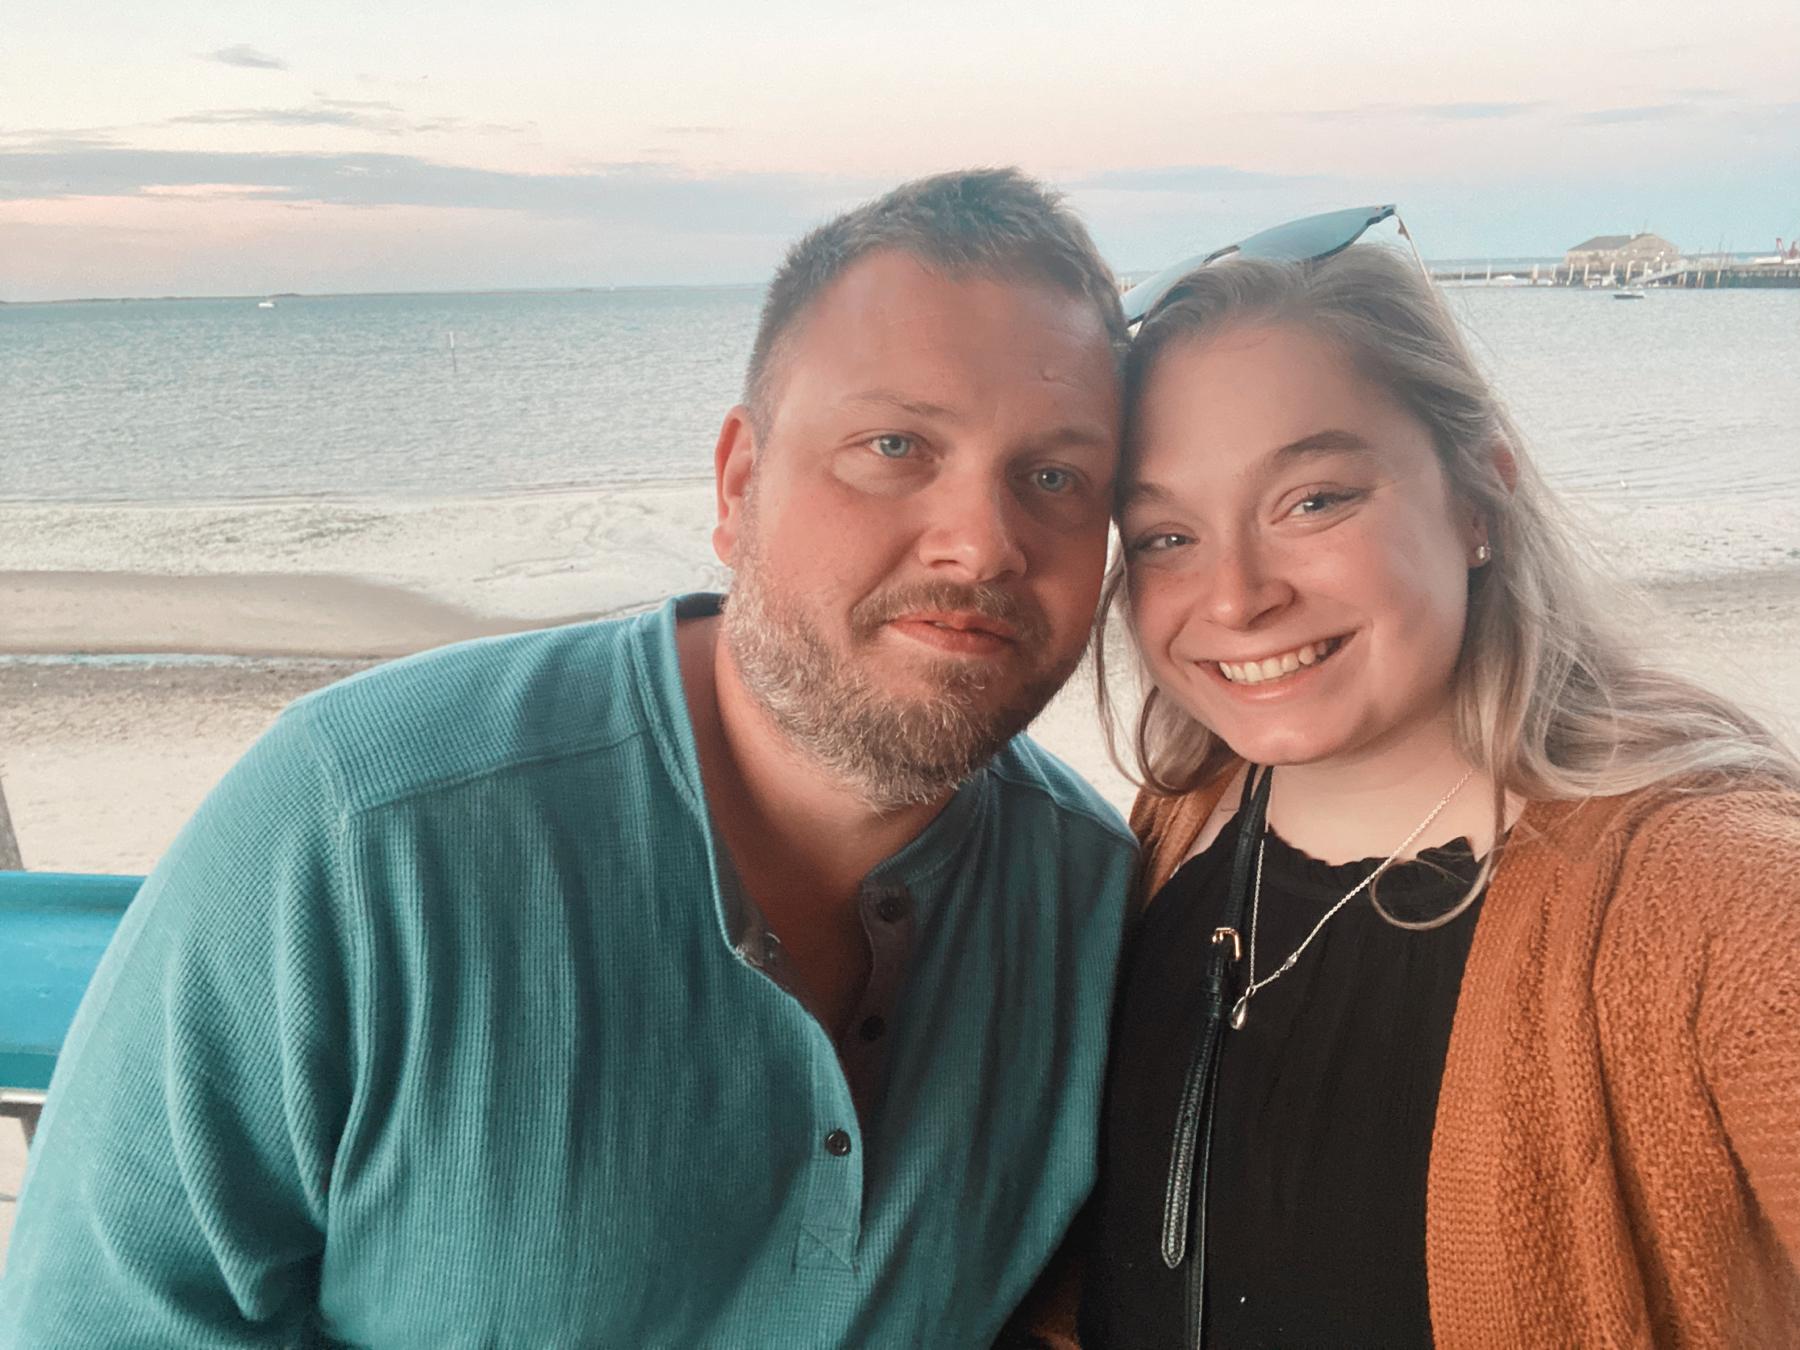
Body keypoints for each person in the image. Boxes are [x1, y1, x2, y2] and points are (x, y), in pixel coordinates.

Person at [0, 169, 1140, 1348]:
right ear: (739, 484)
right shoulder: (360, 826)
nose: (981, 544)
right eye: (894, 445)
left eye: (1055, 477)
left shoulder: (1090, 904)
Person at [1077, 243, 1800, 1347]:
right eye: (1167, 536)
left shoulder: (1715, 894)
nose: (1237, 597)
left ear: (1479, 498)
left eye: (1313, 500)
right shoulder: (1181, 823)